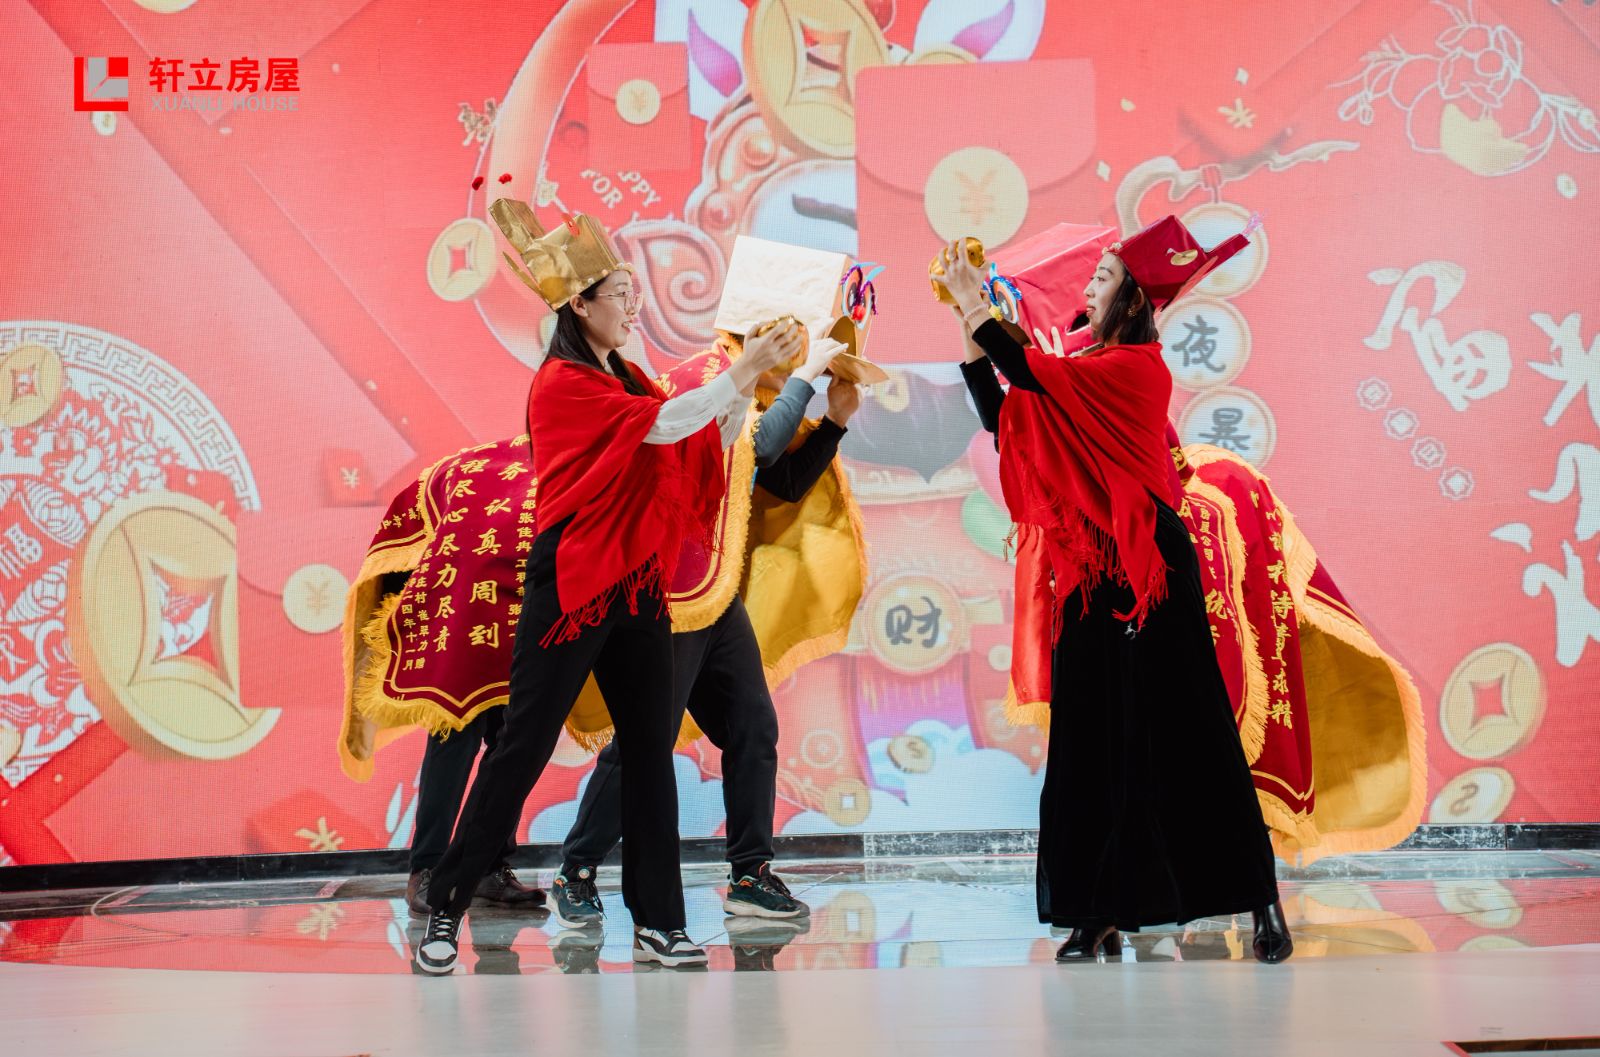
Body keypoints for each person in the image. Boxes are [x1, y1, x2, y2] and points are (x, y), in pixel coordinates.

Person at [413, 204, 796, 974]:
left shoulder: (626, 376)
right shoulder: (562, 383)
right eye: (621, 293)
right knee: (522, 748)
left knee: (651, 749)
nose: (633, 305)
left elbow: (698, 438)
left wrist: (751, 384)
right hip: (573, 581)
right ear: (580, 305)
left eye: (630, 292)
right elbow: (664, 427)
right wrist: (743, 369)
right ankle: (446, 903)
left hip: (636, 582)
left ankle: (659, 923)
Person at [940, 215, 1293, 964]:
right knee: (1087, 743)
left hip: (1148, 566)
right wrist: (967, 321)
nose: (1088, 290)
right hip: (1088, 569)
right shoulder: (1082, 368)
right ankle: (1093, 910)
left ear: (1132, 299)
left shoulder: (1137, 368)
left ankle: (1259, 896)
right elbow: (1006, 417)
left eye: (1101, 279)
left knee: (1190, 733)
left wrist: (977, 305)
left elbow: (1028, 370)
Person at [555, 235, 880, 929]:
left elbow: (777, 480)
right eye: (800, 335)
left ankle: (750, 873)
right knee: (648, 735)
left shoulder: (760, 389)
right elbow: (754, 446)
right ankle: (576, 866)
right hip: (672, 586)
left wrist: (833, 421)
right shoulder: (705, 374)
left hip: (716, 588)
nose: (805, 348)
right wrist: (804, 381)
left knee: (752, 725)